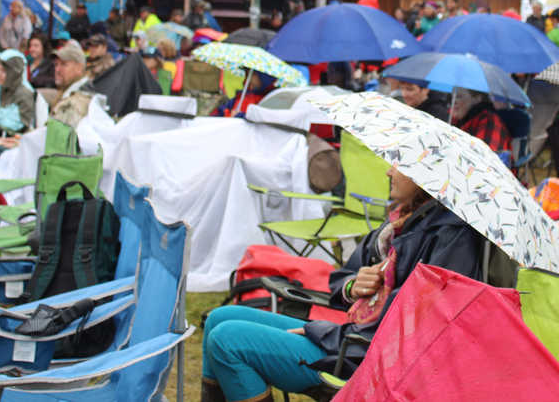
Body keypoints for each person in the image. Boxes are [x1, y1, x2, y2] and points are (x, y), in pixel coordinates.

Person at [200, 163, 483, 401]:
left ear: (425, 176)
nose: (388, 172)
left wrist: (323, 332)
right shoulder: (399, 224)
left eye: (399, 165)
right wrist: (354, 285)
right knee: (219, 317)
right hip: (352, 339)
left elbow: (417, 320)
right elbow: (340, 278)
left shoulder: (451, 236)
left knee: (227, 341)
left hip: (372, 360)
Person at [451, 87, 511, 152]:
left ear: (477, 99)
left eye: (458, 96)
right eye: (451, 97)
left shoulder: (489, 121)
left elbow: (484, 156)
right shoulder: (457, 120)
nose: (453, 101)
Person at [48, 41, 93, 127]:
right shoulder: (66, 92)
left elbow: (58, 136)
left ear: (79, 68)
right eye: (56, 64)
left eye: (64, 64)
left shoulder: (80, 100)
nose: (57, 70)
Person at [212, 71, 277, 117]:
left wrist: (240, 116)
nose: (248, 77)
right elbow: (220, 111)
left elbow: (260, 120)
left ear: (265, 78)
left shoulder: (272, 101)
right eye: (247, 73)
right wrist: (226, 113)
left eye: (253, 74)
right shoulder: (242, 95)